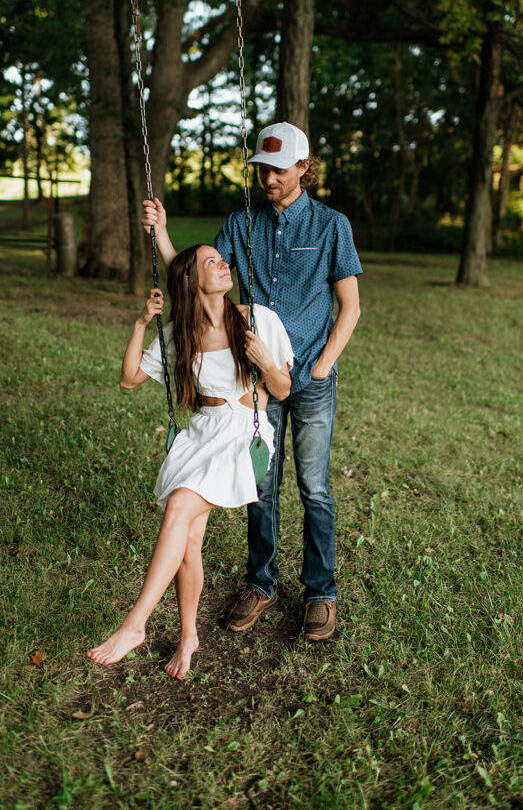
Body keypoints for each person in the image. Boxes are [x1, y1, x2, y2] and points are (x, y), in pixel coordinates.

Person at [142, 122, 362, 642]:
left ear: (305, 168)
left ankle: (320, 593)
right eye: (261, 169)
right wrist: (162, 233)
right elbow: (194, 275)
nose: (267, 178)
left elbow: (350, 307)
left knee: (315, 488)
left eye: (278, 170)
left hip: (308, 378)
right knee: (260, 486)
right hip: (255, 387)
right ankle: (261, 584)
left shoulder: (332, 226)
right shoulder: (242, 224)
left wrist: (322, 366)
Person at [87, 244, 293, 678]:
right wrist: (142, 322)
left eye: (222, 260)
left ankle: (134, 624)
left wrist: (265, 362)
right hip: (203, 431)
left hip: (245, 432)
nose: (223, 265)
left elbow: (282, 389)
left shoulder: (258, 320)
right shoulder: (181, 333)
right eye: (211, 262)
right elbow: (129, 380)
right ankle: (188, 636)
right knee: (188, 545)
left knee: (180, 507)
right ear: (192, 280)